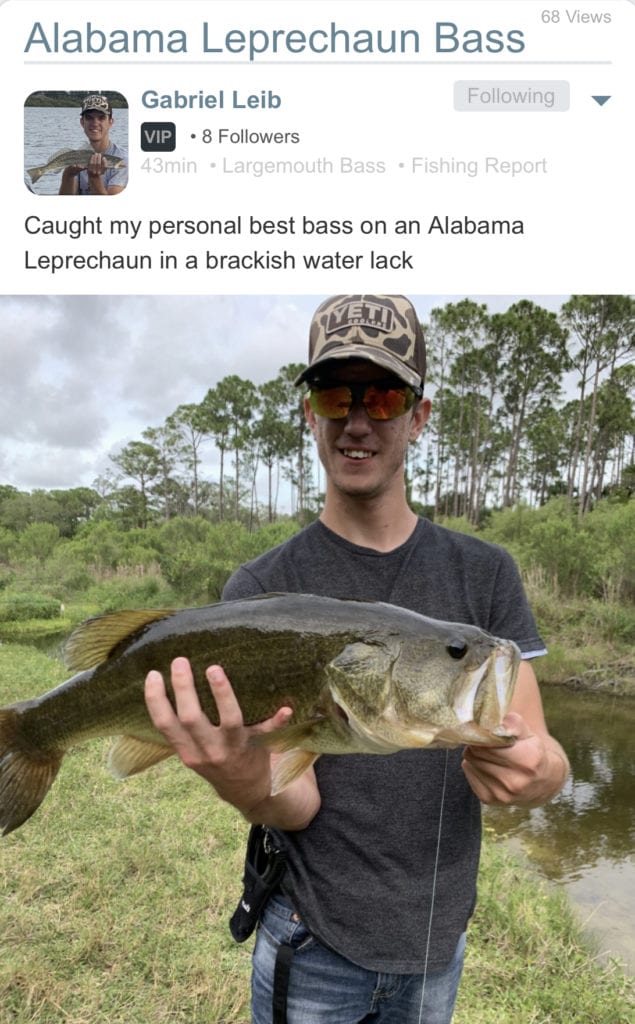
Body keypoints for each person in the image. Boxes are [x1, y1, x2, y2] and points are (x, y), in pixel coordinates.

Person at [144, 295, 569, 1024]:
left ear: (419, 415)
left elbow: (536, 748)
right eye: (334, 394)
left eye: (384, 395)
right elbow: (293, 798)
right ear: (310, 414)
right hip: (310, 939)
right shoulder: (256, 593)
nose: (358, 418)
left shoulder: (484, 574)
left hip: (438, 941)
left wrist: (540, 775)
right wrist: (248, 787)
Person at [58, 94, 127, 196]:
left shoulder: (124, 159)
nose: (95, 123)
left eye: (101, 118)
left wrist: (94, 177)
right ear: (82, 122)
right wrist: (68, 175)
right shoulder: (77, 157)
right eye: (89, 118)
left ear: (111, 122)